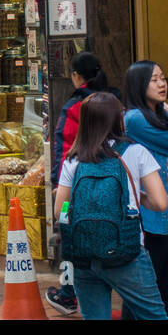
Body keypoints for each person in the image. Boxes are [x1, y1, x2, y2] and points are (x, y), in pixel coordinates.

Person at [55, 91, 168, 320]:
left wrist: (71, 209)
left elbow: (61, 210)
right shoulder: (136, 152)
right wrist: (138, 196)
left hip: (84, 254)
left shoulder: (73, 158)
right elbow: (160, 203)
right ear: (118, 119)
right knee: (154, 316)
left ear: (85, 121)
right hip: (126, 251)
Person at [123, 60, 168, 320]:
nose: (162, 83)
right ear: (139, 84)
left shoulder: (158, 117)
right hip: (152, 214)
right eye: (154, 79)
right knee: (149, 282)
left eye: (163, 78)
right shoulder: (134, 119)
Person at [47, 51, 114, 315]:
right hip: (111, 181)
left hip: (75, 184)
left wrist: (57, 181)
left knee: (68, 233)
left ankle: (67, 293)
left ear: (76, 76)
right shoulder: (113, 100)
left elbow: (63, 146)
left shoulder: (75, 105)